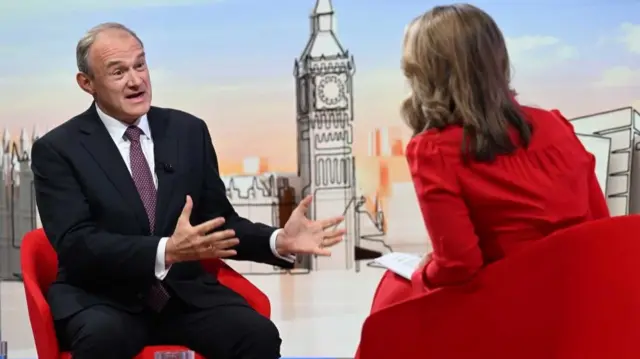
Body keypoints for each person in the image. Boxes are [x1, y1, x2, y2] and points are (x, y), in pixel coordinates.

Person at [32, 22, 345, 359]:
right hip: (102, 298)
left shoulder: (187, 131)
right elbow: (76, 243)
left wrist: (277, 240)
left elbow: (218, 222)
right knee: (102, 339)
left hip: (183, 295)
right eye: (118, 72)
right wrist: (167, 250)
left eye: (140, 65)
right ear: (87, 83)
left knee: (257, 335)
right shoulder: (58, 149)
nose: (136, 80)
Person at [366, 3, 610, 314]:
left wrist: (423, 272)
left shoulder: (432, 151)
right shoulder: (555, 124)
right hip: (584, 296)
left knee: (393, 293)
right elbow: (602, 226)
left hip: (516, 308)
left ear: (423, 75)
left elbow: (459, 265)